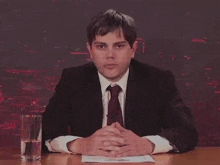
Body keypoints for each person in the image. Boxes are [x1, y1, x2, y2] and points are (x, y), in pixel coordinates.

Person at [42, 9, 198, 157]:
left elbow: (187, 131)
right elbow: (44, 133)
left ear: (133, 49)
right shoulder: (74, 79)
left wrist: (147, 144)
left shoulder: (157, 79)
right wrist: (79, 144)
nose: (110, 55)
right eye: (101, 46)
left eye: (119, 46)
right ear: (90, 50)